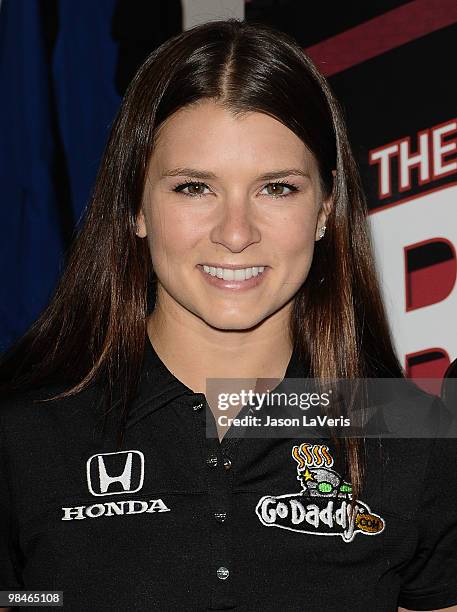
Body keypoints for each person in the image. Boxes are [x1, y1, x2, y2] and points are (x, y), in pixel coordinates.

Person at [0, 18, 456, 612]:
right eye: (194, 188)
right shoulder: (24, 432)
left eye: (277, 188)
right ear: (136, 206)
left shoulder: (412, 434)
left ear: (326, 208)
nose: (236, 233)